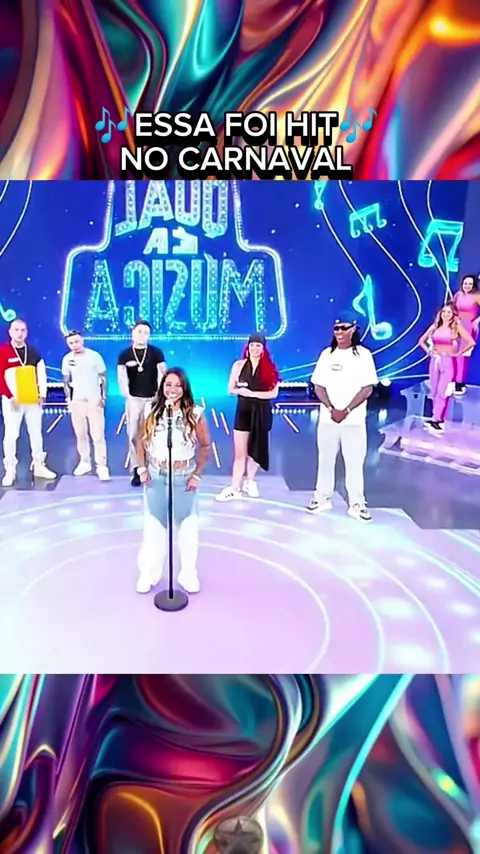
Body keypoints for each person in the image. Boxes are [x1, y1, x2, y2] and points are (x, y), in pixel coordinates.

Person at [135, 368, 211, 595]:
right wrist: (142, 469)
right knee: (154, 528)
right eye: (168, 384)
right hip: (156, 475)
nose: (172, 389)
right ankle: (149, 573)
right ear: (162, 387)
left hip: (183, 476)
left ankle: (188, 574)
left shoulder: (195, 413)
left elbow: (206, 445)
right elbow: (139, 441)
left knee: (187, 529)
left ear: (184, 388)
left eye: (178, 385)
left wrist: (196, 474)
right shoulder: (151, 409)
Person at [307, 312, 378, 522]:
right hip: (328, 420)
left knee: (354, 462)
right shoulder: (327, 354)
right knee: (325, 460)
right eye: (336, 328)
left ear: (353, 329)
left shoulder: (363, 355)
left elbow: (367, 388)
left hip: (353, 421)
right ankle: (321, 498)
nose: (339, 332)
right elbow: (318, 385)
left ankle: (357, 503)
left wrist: (346, 410)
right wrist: (331, 408)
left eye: (343, 328)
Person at [216, 333, 280, 502]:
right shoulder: (239, 365)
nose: (254, 348)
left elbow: (273, 393)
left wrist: (252, 394)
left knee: (256, 450)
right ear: (248, 347)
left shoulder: (270, 368)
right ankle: (234, 487)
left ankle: (250, 481)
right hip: (243, 412)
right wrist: (242, 392)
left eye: (258, 345)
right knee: (240, 453)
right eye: (252, 345)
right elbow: (231, 389)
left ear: (263, 348)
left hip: (262, 412)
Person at [0, 317, 56, 486]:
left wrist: (42, 394)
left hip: (33, 400)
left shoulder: (33, 352)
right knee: (11, 435)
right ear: (10, 332)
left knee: (36, 433)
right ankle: (10, 469)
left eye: (23, 330)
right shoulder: (3, 351)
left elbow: (41, 374)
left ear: (26, 333)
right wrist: (9, 396)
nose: (20, 333)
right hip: (13, 401)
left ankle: (39, 465)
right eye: (16, 330)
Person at [117, 320, 167, 486]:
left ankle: (155, 467)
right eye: (139, 331)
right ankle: (138, 469)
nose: (142, 335)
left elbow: (163, 374)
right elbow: (122, 377)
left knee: (153, 434)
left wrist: (160, 396)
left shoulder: (156, 352)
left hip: (153, 399)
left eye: (146, 332)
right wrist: (127, 395)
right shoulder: (125, 354)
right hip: (134, 400)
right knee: (133, 435)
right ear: (132, 333)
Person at [418, 302, 475, 434]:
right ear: (440, 313)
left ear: (453, 314)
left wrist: (457, 353)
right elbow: (421, 341)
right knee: (434, 391)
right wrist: (429, 351)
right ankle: (435, 418)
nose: (446, 314)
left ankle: (438, 420)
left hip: (448, 362)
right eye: (444, 312)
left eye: (449, 312)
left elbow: (471, 342)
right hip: (434, 361)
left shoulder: (456, 327)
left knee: (442, 392)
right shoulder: (435, 326)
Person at [62, 331, 110, 480]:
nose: (74, 345)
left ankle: (102, 465)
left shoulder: (94, 356)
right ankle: (84, 462)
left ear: (82, 340)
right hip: (77, 402)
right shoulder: (67, 359)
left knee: (98, 435)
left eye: (76, 341)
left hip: (93, 400)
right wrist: (69, 399)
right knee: (80, 434)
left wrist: (103, 397)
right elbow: (66, 381)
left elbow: (103, 378)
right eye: (71, 343)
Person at [451, 274, 480, 394]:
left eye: (470, 284)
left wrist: (477, 320)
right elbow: (452, 309)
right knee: (453, 354)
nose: (467, 286)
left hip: (469, 328)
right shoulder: (458, 295)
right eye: (465, 283)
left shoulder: (477, 296)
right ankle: (452, 380)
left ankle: (460, 382)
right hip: (456, 326)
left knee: (462, 356)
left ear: (474, 285)